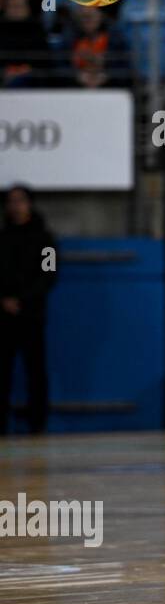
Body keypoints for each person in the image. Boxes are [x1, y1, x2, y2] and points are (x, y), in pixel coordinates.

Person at [0, 185, 56, 435]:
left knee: (36, 371)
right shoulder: (2, 237)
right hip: (3, 316)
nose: (16, 206)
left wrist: (23, 299)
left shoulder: (45, 239)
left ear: (30, 204)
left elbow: (48, 274)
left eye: (20, 200)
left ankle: (38, 424)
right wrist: (4, 299)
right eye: (11, 201)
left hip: (32, 314)